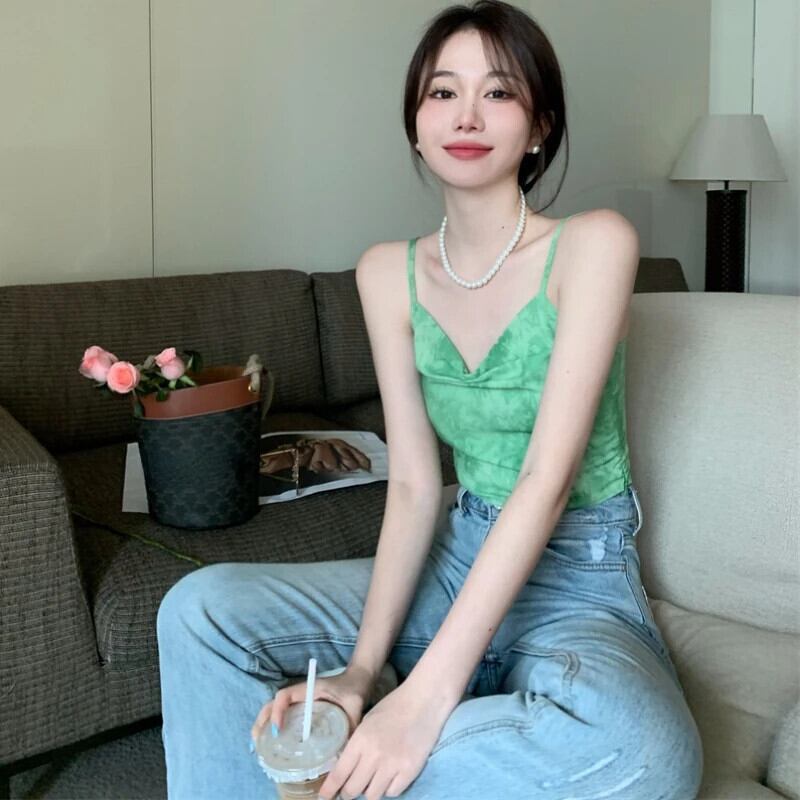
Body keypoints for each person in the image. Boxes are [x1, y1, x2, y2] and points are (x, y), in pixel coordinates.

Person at [156, 2, 704, 798]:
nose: (467, 115)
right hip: (455, 556)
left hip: (577, 582)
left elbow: (546, 481)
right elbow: (415, 485)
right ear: (416, 124)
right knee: (198, 609)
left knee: (648, 753)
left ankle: (332, 771)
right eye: (443, 92)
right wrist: (361, 672)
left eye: (499, 93)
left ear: (540, 126)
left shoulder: (594, 245)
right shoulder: (387, 272)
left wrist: (421, 701)